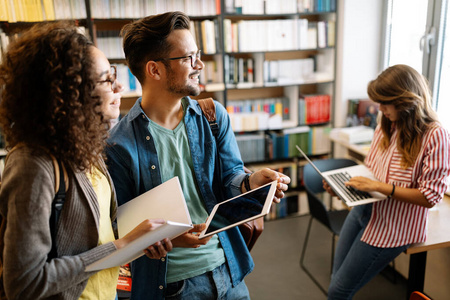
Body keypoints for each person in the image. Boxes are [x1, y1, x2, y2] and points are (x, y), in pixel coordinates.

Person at [106, 11, 290, 300]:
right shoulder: (118, 146)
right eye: (188, 58)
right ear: (155, 70)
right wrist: (169, 239)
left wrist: (251, 182)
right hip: (172, 288)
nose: (200, 65)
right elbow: (121, 229)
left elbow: (232, 177)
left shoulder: (212, 115)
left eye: (198, 54)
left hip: (228, 269)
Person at [0, 22, 172, 300]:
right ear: (70, 93)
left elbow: (96, 230)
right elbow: (24, 283)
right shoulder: (33, 165)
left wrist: (142, 240)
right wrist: (121, 246)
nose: (118, 86)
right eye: (106, 79)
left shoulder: (86, 147)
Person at [325, 64, 450, 299]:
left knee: (338, 291)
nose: (379, 108)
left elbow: (430, 197)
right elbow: (371, 172)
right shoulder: (387, 125)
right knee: (337, 279)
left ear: (405, 101)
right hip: (365, 211)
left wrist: (382, 187)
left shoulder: (436, 136)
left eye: (384, 102)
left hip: (394, 227)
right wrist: (343, 189)